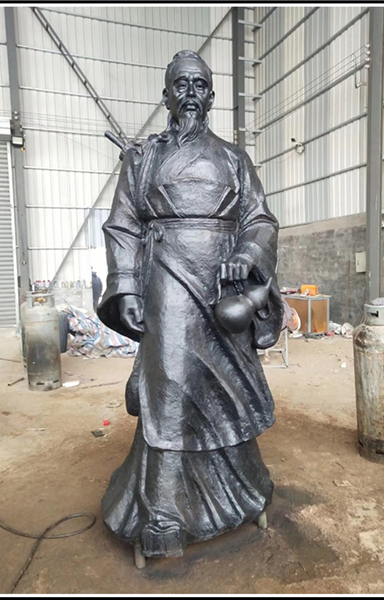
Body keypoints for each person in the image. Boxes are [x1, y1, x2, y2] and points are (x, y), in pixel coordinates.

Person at [97, 50, 283, 562]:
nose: (191, 94)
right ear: (166, 96)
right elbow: (122, 225)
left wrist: (246, 255)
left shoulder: (234, 159)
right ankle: (163, 513)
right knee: (171, 390)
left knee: (226, 393)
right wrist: (127, 287)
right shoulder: (143, 160)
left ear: (212, 96)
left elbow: (260, 220)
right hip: (167, 286)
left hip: (223, 285)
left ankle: (242, 492)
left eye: (200, 85)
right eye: (181, 84)